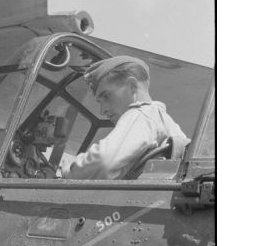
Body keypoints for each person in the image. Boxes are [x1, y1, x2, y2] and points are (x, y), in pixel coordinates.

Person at [61, 55, 189, 180]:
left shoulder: (141, 115)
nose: (102, 110)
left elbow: (104, 161)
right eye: (100, 102)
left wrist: (69, 171)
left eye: (106, 96)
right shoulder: (168, 124)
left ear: (132, 86)